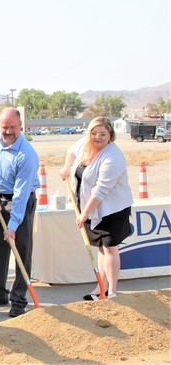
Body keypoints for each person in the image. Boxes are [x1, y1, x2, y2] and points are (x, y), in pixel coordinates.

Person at [60, 116, 132, 300]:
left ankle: (113, 292)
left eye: (102, 134)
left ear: (110, 135)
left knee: (110, 248)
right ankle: (102, 287)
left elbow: (100, 190)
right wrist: (67, 167)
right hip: (92, 207)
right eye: (94, 133)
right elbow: (71, 151)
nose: (97, 137)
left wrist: (84, 214)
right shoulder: (85, 144)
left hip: (111, 209)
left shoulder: (113, 156)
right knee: (101, 248)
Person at [0, 107, 39, 317]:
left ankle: (19, 300)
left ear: (20, 127)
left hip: (20, 200)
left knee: (21, 249)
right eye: (5, 127)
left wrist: (13, 226)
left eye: (13, 127)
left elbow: (21, 195)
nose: (8, 131)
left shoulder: (27, 155)